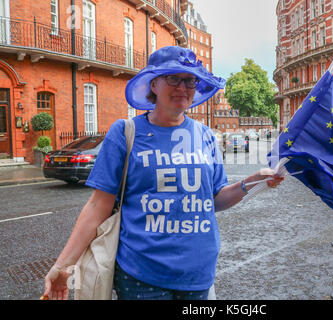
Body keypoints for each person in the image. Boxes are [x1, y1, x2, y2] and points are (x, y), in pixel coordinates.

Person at [42, 46, 284, 300]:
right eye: (173, 78)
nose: (183, 87)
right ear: (153, 84)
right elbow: (97, 207)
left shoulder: (205, 136)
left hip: (198, 274)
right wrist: (63, 265)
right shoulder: (125, 133)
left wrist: (252, 181)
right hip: (141, 277)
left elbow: (214, 200)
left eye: (190, 80)